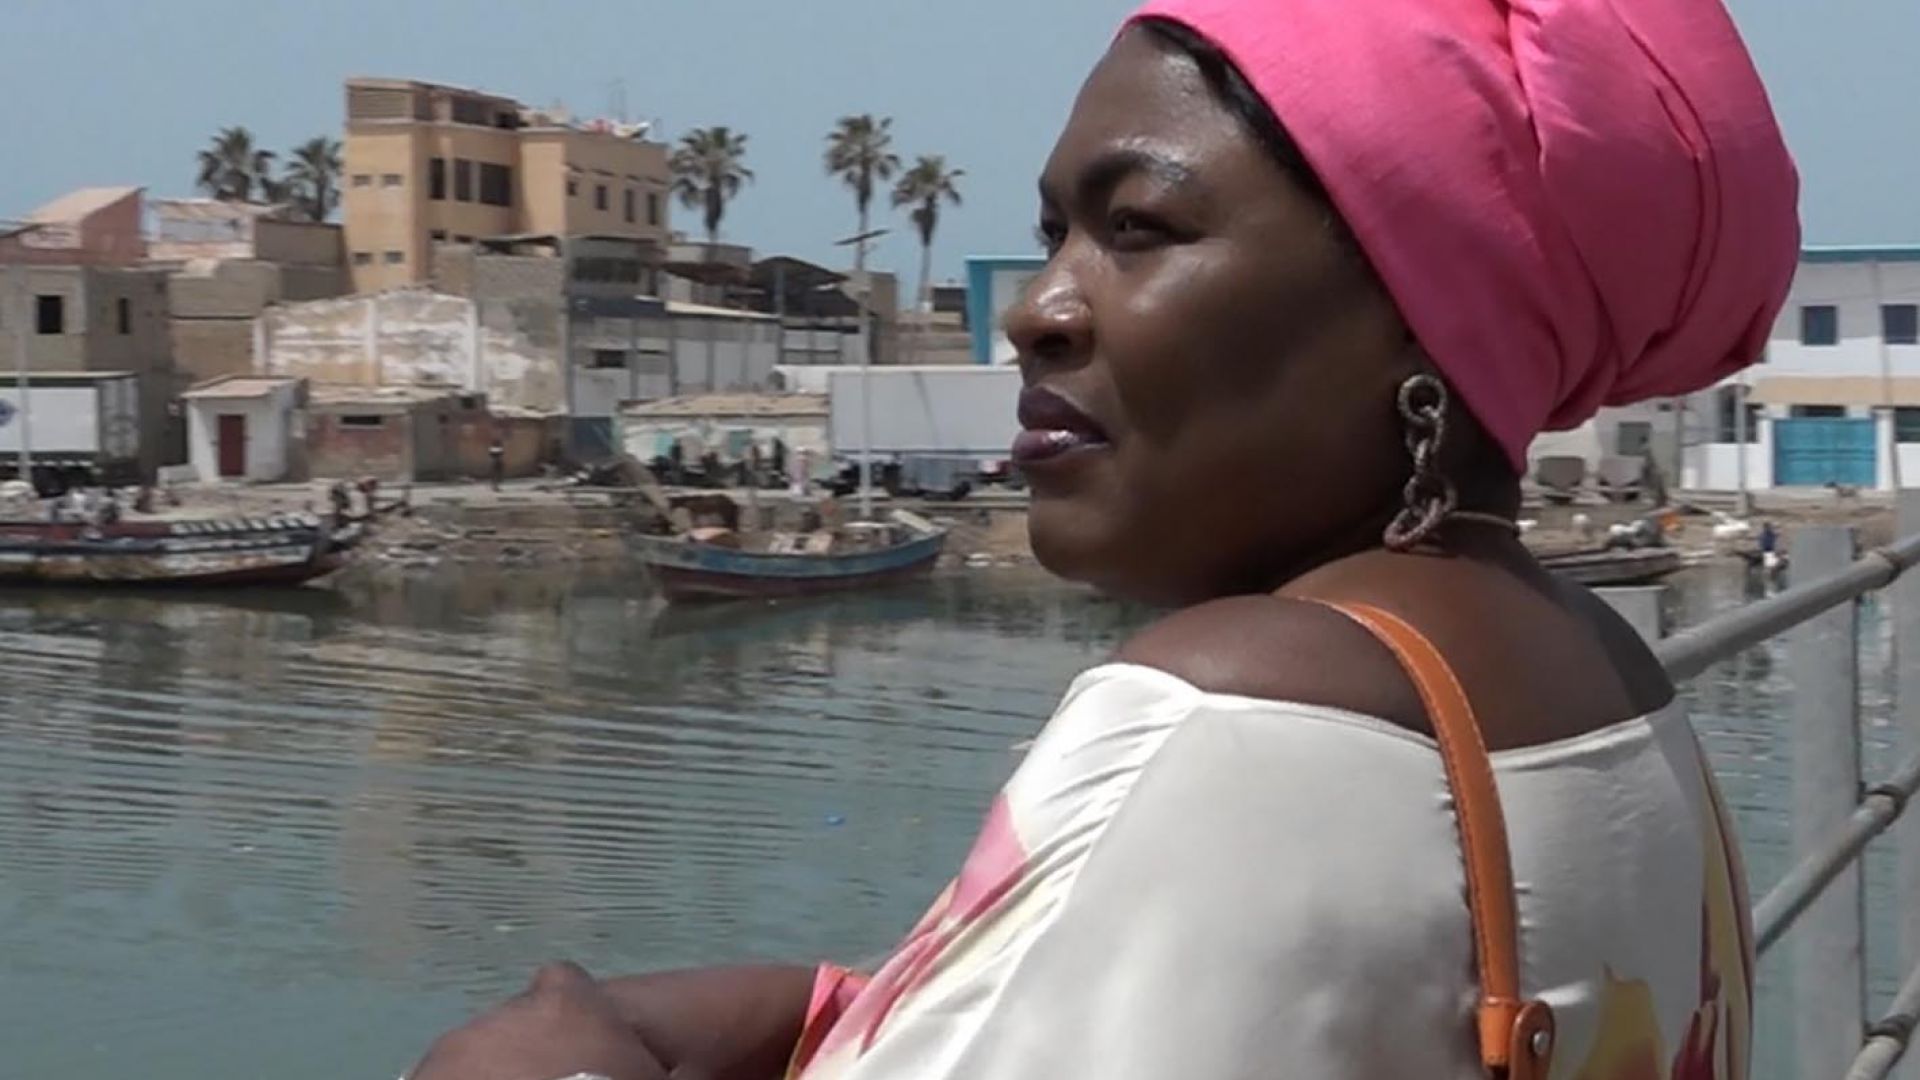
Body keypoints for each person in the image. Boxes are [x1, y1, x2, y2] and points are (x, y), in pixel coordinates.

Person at [409, 0, 1797, 1077]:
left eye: (1139, 228)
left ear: (1424, 317)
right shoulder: (1615, 684)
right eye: (1054, 234)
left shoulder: (1226, 716)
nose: (1039, 310)